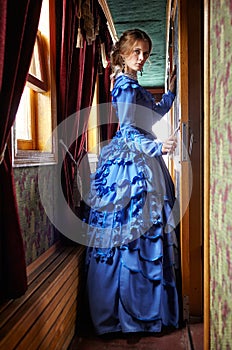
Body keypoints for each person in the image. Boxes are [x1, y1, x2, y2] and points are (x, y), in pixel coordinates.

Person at [82, 28, 181, 336]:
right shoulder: (123, 85)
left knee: (143, 235)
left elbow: (153, 112)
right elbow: (127, 131)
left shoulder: (133, 84)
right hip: (131, 160)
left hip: (142, 157)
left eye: (146, 53)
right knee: (131, 236)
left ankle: (141, 312)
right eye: (136, 51)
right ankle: (127, 317)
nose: (142, 57)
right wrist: (156, 147)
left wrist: (173, 90)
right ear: (122, 54)